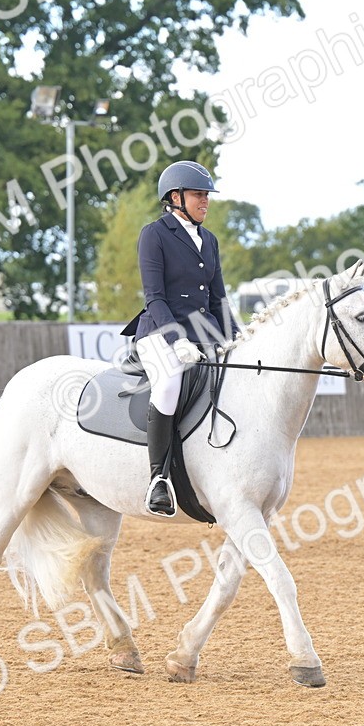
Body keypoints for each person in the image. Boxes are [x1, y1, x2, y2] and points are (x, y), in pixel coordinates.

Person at [121, 160, 240, 517]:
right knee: (170, 382)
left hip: (203, 334)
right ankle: (159, 479)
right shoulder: (154, 234)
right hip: (159, 331)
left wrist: (237, 337)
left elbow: (218, 298)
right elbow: (154, 297)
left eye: (206, 195)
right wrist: (177, 340)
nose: (205, 201)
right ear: (176, 197)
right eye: (198, 194)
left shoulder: (210, 240)